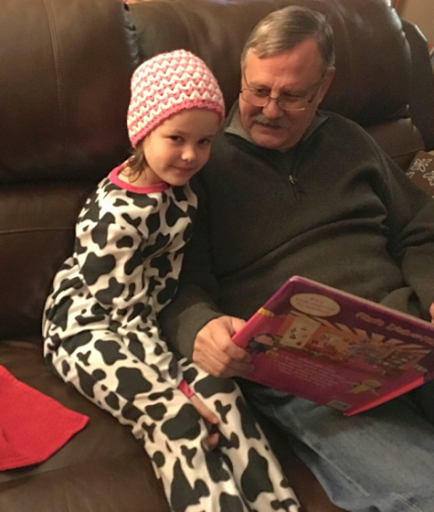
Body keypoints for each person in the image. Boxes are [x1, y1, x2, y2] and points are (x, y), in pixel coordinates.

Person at [159, 8, 434, 512]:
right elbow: (173, 281)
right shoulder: (200, 162)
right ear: (241, 74)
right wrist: (198, 327)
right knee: (423, 490)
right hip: (309, 371)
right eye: (258, 90)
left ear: (324, 86)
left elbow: (420, 227)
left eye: (292, 96)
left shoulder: (350, 139)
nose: (270, 109)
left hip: (407, 337)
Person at [42, 50, 301, 512]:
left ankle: (278, 505)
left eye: (204, 142)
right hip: (88, 328)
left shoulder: (181, 189)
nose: (190, 155)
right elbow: (122, 315)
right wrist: (176, 387)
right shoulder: (116, 217)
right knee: (177, 419)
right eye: (176, 138)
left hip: (150, 320)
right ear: (142, 133)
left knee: (223, 395)